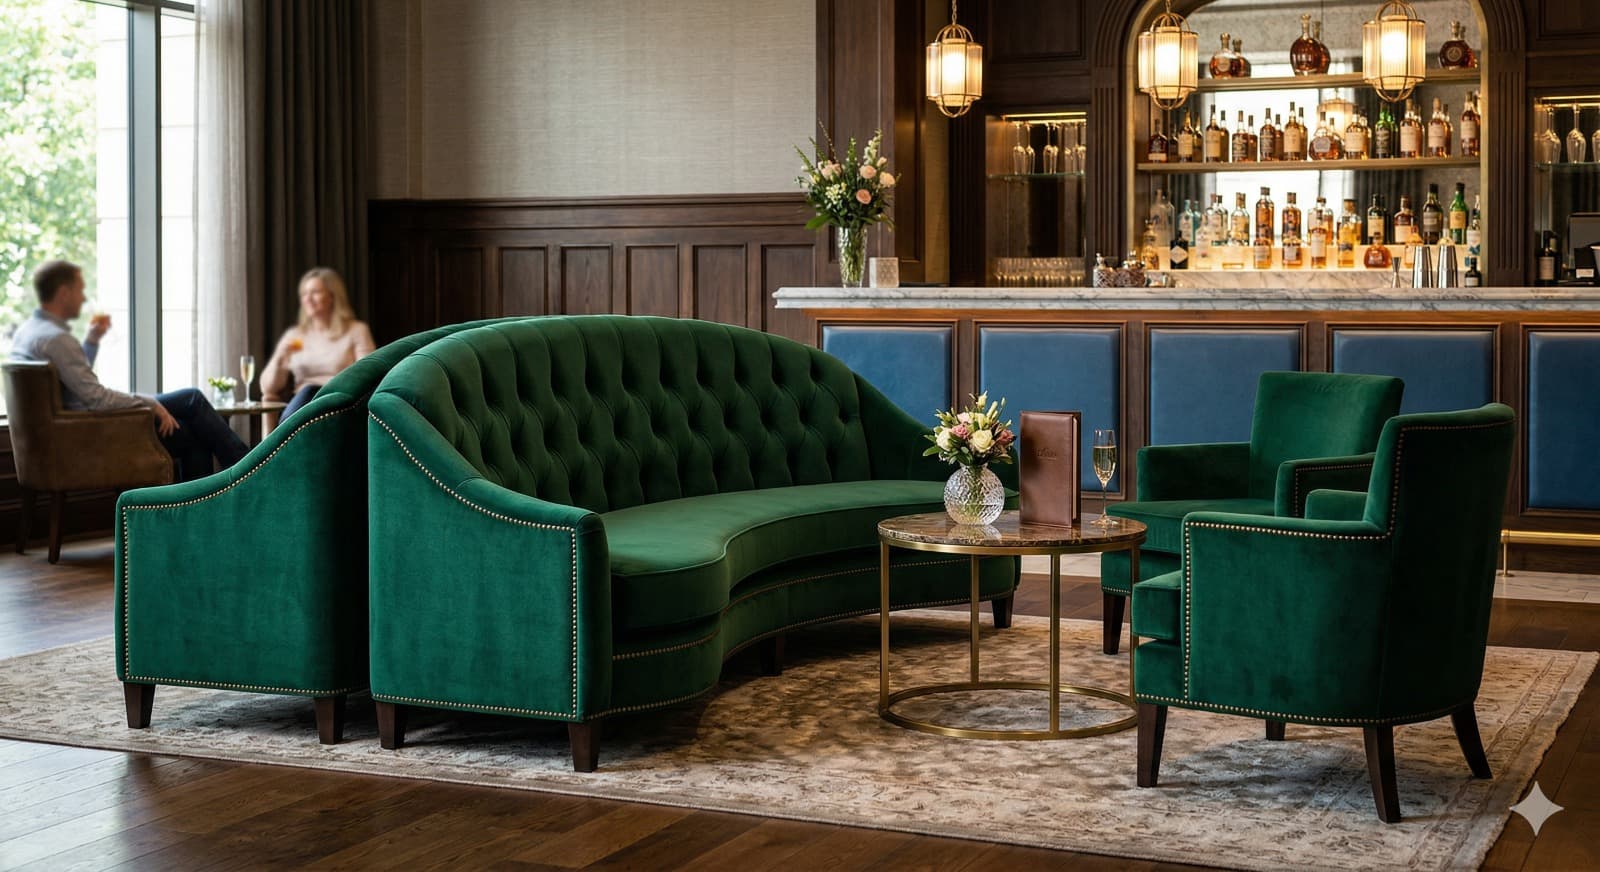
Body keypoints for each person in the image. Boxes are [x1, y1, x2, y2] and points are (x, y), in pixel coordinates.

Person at [9, 260, 249, 482]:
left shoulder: (29, 332)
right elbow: (97, 398)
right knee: (192, 402)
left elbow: (72, 385)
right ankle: (250, 470)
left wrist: (91, 342)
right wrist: (149, 403)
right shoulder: (56, 339)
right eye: (80, 290)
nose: (83, 298)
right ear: (64, 293)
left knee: (192, 426)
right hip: (92, 432)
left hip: (67, 432)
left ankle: (212, 497)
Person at [259, 267, 374, 420]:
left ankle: (287, 430)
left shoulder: (356, 330)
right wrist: (280, 356)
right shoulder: (295, 335)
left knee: (310, 391)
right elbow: (267, 388)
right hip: (303, 402)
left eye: (315, 292)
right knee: (307, 392)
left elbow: (368, 374)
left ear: (332, 296)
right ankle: (290, 429)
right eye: (304, 294)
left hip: (338, 401)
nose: (308, 299)